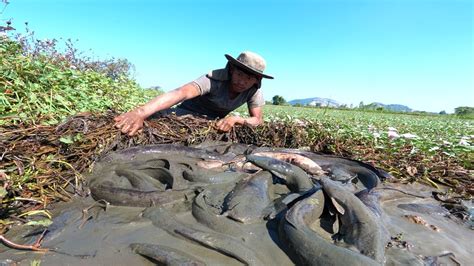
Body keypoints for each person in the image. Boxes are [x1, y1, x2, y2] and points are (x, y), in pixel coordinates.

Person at [114, 51, 273, 136]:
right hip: (186, 113)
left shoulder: (254, 91)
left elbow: (258, 120)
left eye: (248, 78)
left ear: (256, 80)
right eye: (239, 74)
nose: (242, 81)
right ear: (231, 70)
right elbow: (181, 93)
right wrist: (140, 113)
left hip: (213, 121)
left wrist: (237, 119)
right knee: (157, 117)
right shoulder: (213, 79)